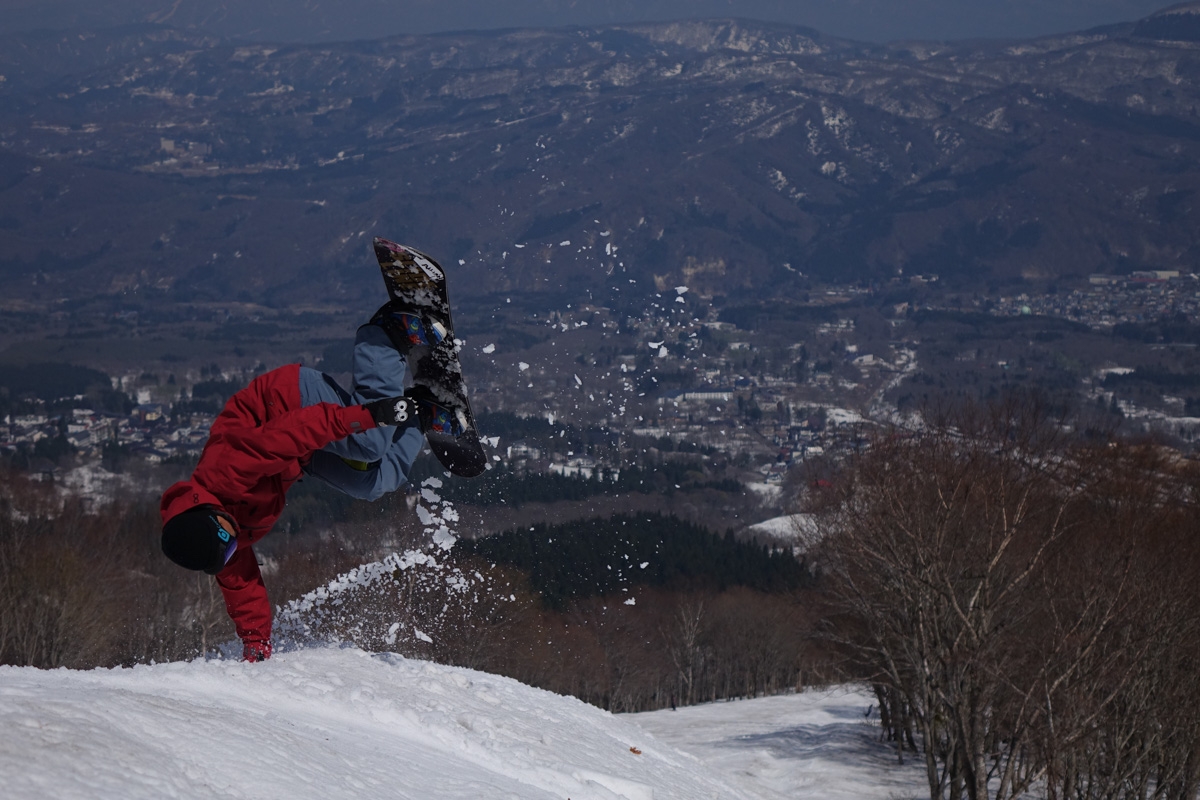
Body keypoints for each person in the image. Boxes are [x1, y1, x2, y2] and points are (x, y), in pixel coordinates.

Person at [159, 302, 451, 661]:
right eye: (232, 550)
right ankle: (421, 414)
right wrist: (256, 646)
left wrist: (368, 415)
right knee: (370, 484)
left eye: (230, 542)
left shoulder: (225, 471)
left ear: (208, 512)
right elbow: (243, 591)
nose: (237, 545)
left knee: (368, 442)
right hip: (298, 458)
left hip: (289, 404)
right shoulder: (221, 542)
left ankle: (385, 336)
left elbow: (288, 434)